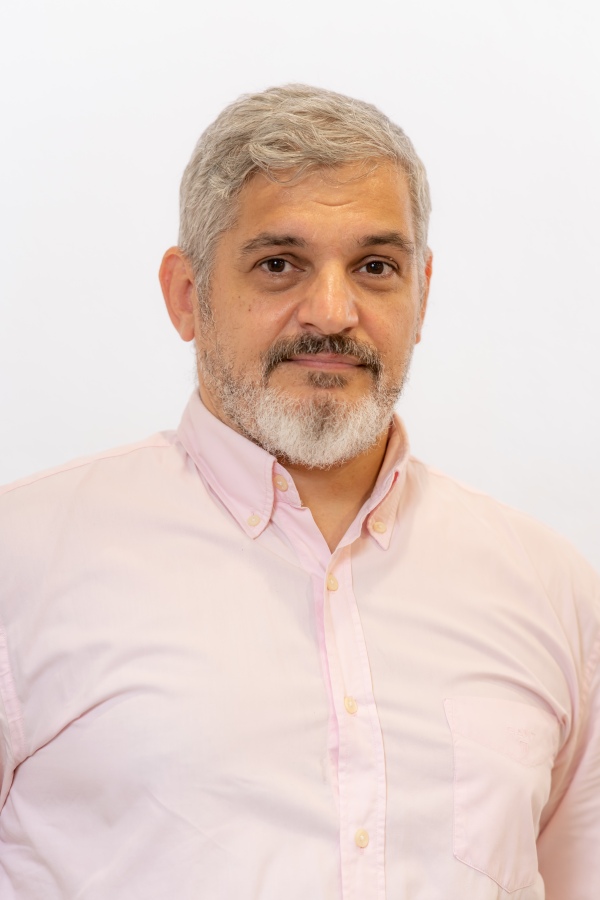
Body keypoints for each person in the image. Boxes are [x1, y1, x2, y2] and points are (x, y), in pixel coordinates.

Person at [0, 84, 598, 900]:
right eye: (279, 265)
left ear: (422, 294)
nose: (332, 312)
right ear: (187, 295)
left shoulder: (552, 590)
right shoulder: (23, 561)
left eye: (375, 267)